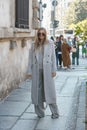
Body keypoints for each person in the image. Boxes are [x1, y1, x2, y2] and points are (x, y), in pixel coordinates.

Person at [26, 27, 59, 119]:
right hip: (36, 70)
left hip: (47, 70)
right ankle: (40, 113)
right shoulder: (33, 45)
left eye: (43, 34)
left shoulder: (50, 43)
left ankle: (55, 113)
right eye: (39, 34)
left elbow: (53, 58)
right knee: (37, 92)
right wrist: (29, 71)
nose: (41, 36)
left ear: (45, 34)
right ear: (37, 35)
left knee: (50, 91)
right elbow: (30, 60)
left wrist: (54, 70)